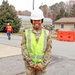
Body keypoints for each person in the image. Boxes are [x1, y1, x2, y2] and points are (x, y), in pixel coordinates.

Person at [21, 8, 52, 75]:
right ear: (32, 21)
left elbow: (48, 51)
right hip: (29, 66)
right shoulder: (26, 33)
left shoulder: (47, 33)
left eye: (39, 20)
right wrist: (31, 63)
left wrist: (41, 64)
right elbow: (24, 49)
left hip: (41, 67)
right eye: (34, 20)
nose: (36, 22)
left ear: (42, 21)